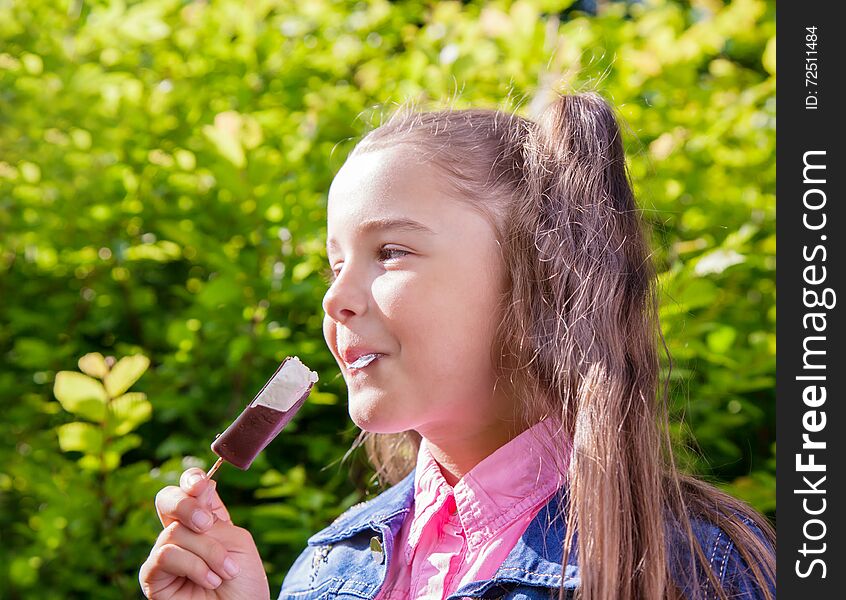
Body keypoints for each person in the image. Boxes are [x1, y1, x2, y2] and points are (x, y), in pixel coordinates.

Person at [139, 92, 776, 600]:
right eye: (334, 266)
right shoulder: (327, 568)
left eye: (390, 252)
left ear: (538, 277)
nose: (335, 299)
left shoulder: (694, 564)